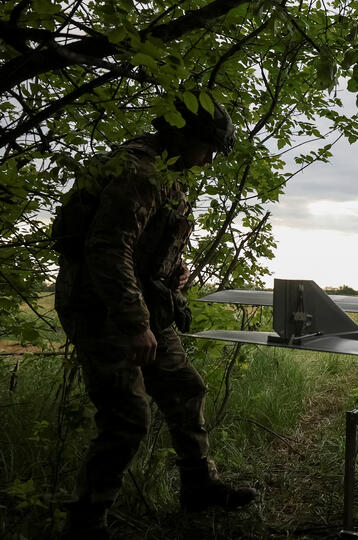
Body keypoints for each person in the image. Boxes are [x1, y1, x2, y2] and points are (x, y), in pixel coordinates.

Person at [53, 98, 256, 539]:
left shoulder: (166, 175)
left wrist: (172, 271)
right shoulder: (138, 171)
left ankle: (199, 486)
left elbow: (143, 245)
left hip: (145, 305)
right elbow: (107, 249)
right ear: (183, 136)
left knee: (184, 388)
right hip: (105, 310)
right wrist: (135, 324)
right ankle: (85, 523)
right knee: (127, 416)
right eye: (207, 148)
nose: (207, 160)